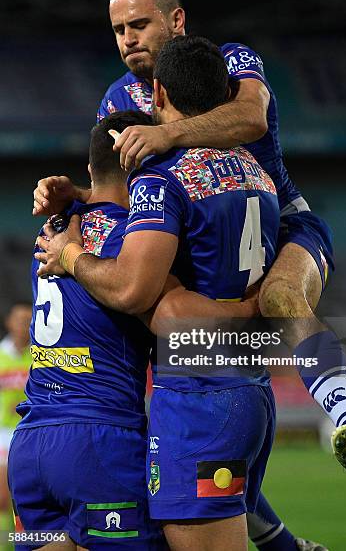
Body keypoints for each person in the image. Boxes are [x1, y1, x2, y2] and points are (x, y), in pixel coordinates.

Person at [35, 35, 299, 551]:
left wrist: (70, 254)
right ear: (227, 95)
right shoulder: (257, 176)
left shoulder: (154, 185)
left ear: (156, 94)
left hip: (189, 402)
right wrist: (262, 315)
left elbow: (138, 292)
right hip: (242, 390)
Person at [10, 109, 264, 551]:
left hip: (30, 448)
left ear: (90, 169)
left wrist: (76, 192)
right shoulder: (130, 241)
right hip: (99, 441)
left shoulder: (53, 227)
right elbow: (171, 314)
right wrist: (255, 306)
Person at [0, 302, 32, 542]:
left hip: (29, 436)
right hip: (3, 434)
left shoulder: (39, 358)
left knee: (24, 497)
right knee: (3, 497)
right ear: (8, 322)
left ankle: (20, 542)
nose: (24, 325)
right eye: (20, 320)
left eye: (28, 321)